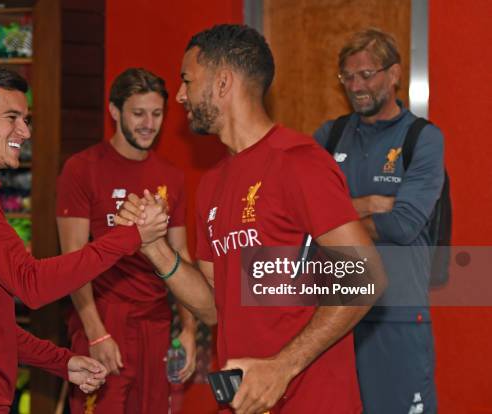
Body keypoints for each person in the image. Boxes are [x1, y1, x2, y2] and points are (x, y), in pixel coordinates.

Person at [117, 25, 386, 414]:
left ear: (222, 82)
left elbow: (367, 276)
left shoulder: (298, 162)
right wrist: (154, 249)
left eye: (187, 81)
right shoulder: (211, 184)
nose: (180, 96)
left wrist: (282, 368)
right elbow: (213, 307)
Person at [0, 65, 167, 413]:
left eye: (26, 120)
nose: (24, 131)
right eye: (12, 117)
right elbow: (33, 283)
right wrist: (131, 236)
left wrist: (62, 362)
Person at [314, 28, 443, 414]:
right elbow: (303, 216)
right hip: (334, 317)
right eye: (347, 77)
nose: (356, 86)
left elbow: (403, 225)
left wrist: (337, 216)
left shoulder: (423, 138)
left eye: (366, 74)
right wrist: (370, 203)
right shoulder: (329, 136)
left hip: (397, 317)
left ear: (395, 74)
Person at [56, 67, 197, 414]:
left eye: (157, 113)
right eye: (138, 113)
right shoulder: (81, 168)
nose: (149, 123)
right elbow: (72, 260)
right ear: (115, 112)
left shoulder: (172, 177)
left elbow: (181, 255)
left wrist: (190, 330)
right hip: (104, 316)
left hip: (156, 321)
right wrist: (95, 333)